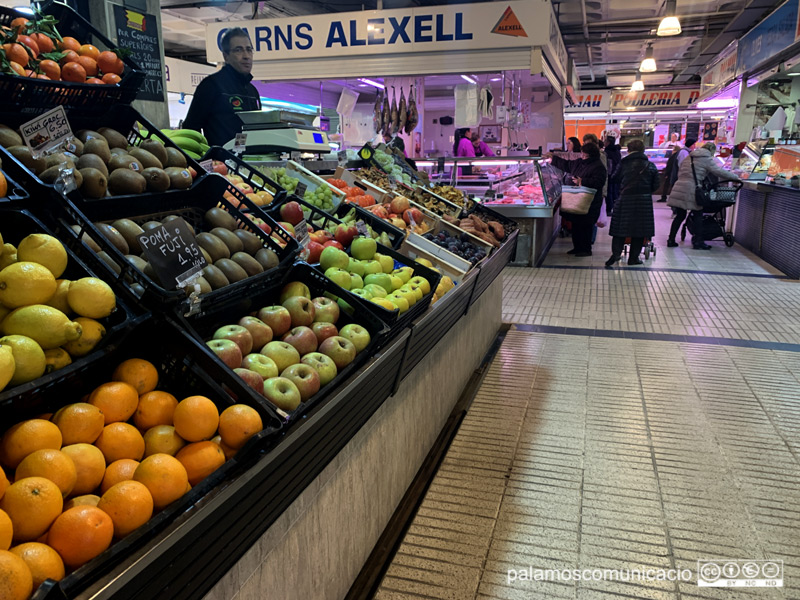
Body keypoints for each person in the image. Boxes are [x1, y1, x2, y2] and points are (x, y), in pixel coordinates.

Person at [183, 28, 261, 146]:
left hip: (250, 162)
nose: (246, 56)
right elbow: (190, 129)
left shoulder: (252, 91)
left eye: (249, 50)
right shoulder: (211, 85)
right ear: (226, 56)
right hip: (220, 162)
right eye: (238, 50)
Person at [667, 142, 742, 249]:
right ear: (711, 151)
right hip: (692, 188)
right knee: (698, 214)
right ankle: (698, 241)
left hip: (679, 187)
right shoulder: (706, 158)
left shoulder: (689, 157)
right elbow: (718, 171)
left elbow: (681, 172)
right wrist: (735, 177)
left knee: (680, 215)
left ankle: (671, 240)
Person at [605, 140, 660, 268]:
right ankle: (633, 258)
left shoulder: (623, 164)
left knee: (619, 229)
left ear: (628, 150)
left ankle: (616, 253)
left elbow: (614, 179)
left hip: (625, 199)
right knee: (639, 231)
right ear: (643, 150)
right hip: (644, 201)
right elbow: (656, 185)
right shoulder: (650, 165)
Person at [549, 142, 607, 257]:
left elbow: (599, 182)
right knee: (576, 225)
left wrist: (582, 181)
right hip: (577, 200)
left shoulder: (598, 166)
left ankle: (586, 249)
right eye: (582, 154)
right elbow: (566, 165)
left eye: (585, 155)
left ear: (592, 155)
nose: (583, 156)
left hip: (590, 201)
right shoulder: (579, 163)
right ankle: (577, 247)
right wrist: (553, 159)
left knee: (586, 226)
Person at [658, 138, 695, 202]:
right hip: (677, 175)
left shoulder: (684, 152)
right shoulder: (684, 152)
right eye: (694, 144)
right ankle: (674, 206)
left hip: (675, 174)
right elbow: (682, 165)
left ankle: (671, 203)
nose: (695, 146)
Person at [604, 136, 622, 216]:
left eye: (605, 141)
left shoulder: (607, 151)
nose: (604, 142)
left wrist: (608, 174)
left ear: (608, 142)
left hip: (610, 174)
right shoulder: (617, 151)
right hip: (617, 174)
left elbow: (609, 165)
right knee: (615, 192)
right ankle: (615, 208)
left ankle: (609, 209)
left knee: (609, 192)